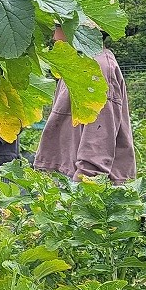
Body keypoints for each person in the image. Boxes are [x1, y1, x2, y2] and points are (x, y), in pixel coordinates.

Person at [34, 23, 136, 183]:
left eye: (60, 26)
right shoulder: (76, 64)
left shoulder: (99, 68)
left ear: (81, 31)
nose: (54, 36)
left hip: (84, 183)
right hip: (68, 174)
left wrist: (83, 187)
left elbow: (98, 142)